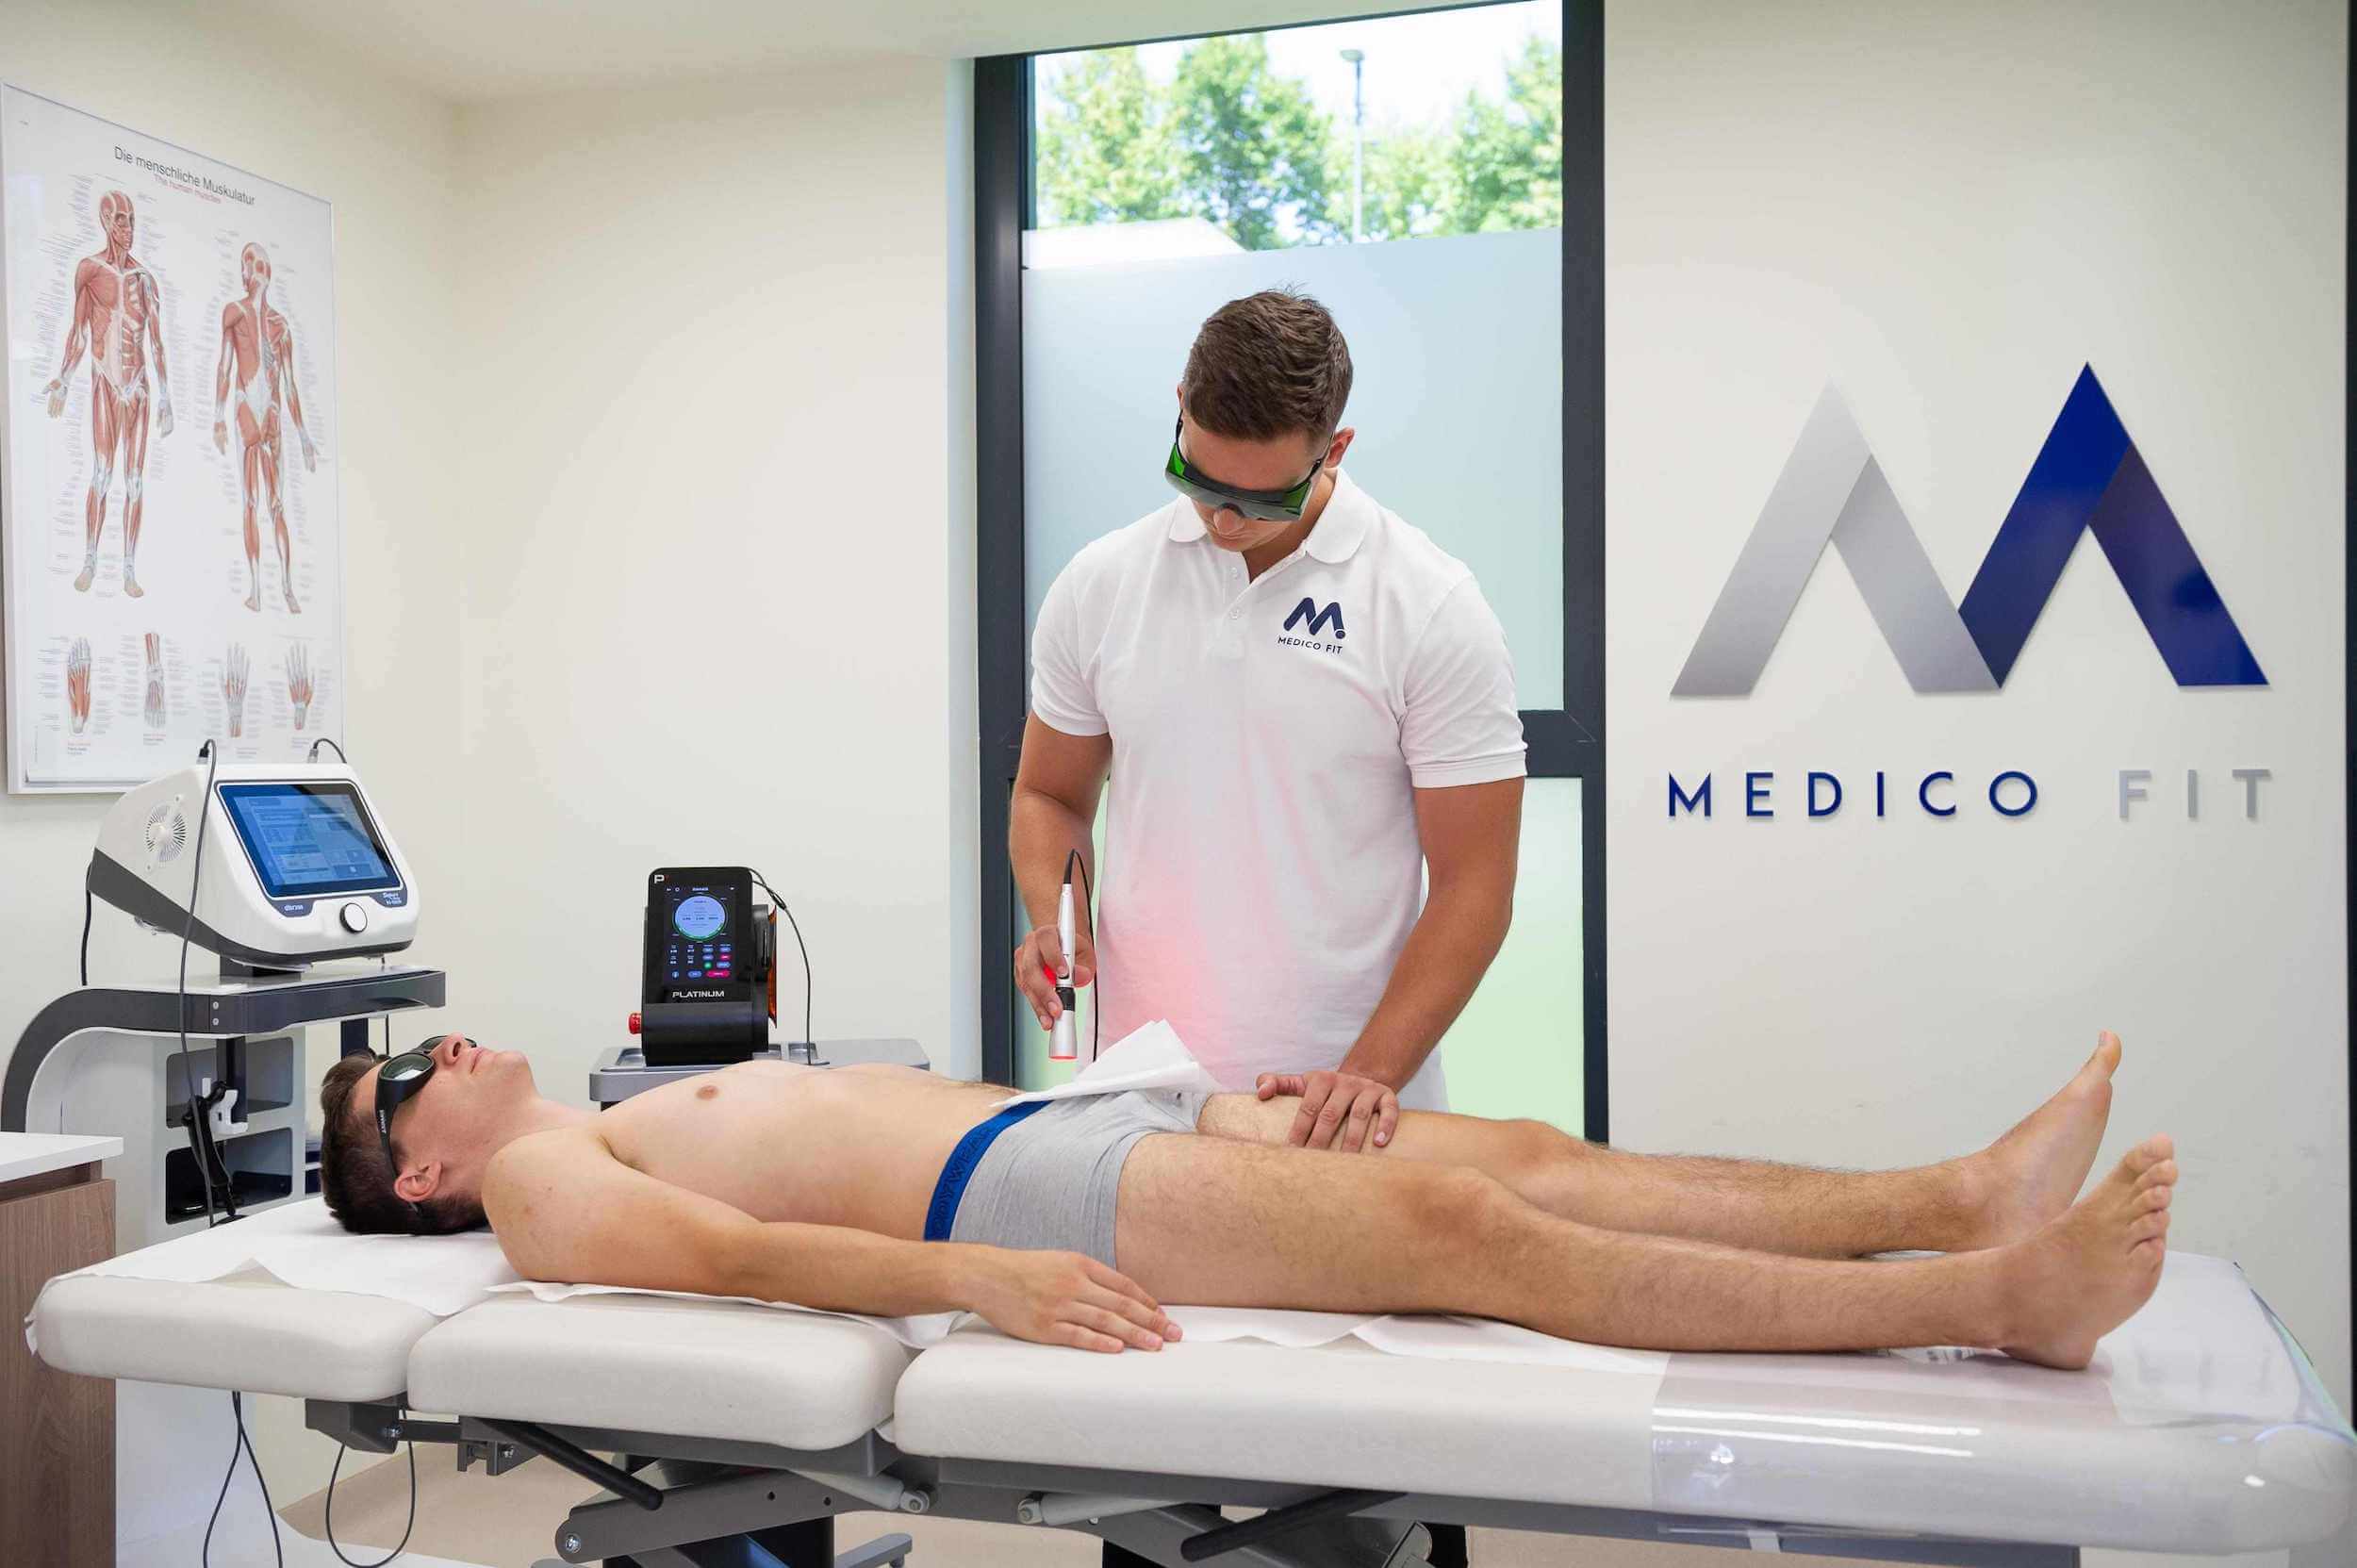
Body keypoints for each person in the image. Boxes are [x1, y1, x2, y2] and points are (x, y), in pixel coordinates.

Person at [319, 1032, 2174, 1376]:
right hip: (1014, 1185)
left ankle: (1948, 1194)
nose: (430, 1048)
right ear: (422, 1169)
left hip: (1073, 1115)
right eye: (397, 1080)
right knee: (1474, 1240)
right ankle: (1988, 1298)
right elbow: (735, 1258)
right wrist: (972, 1277)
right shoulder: (541, 1181)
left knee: (1521, 1152)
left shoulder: (613, 1099)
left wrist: (1193, 1095)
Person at [1012, 289, 1526, 1162]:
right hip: (1135, 1103)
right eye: (1199, 481)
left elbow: (1476, 885)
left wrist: (1366, 1075)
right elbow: (1050, 795)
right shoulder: (1100, 585)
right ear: (1180, 406)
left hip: (1343, 1116)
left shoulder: (1429, 605)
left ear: (1336, 450)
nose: (1224, 520)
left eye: (1261, 500)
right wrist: (1056, 916)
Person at [45, 190, 173, 598]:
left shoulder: (145, 280)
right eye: (120, 219)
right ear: (105, 221)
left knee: (134, 482)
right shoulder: (89, 271)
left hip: (139, 387)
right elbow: (79, 332)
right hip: (105, 380)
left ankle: (129, 569)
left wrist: (166, 398)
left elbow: (156, 343)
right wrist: (64, 379)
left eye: (131, 219)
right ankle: (90, 560)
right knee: (102, 474)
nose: (128, 228)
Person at [213, 242, 319, 615]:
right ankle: (257, 588)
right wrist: (218, 416)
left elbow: (289, 385)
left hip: (270, 414)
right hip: (247, 410)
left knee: (275, 504)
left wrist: (304, 436)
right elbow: (225, 366)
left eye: (258, 263)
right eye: (249, 263)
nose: (253, 270)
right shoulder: (234, 314)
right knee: (251, 502)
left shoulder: (280, 326)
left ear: (266, 273)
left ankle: (286, 587)